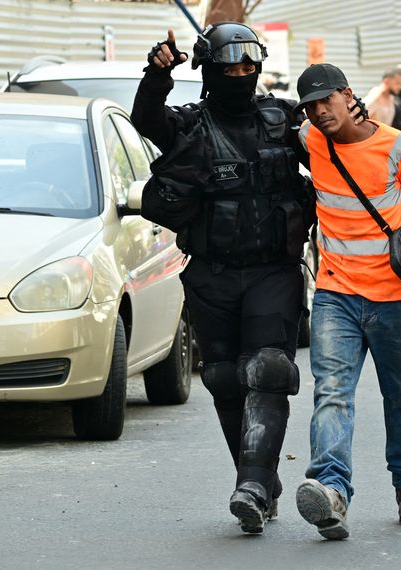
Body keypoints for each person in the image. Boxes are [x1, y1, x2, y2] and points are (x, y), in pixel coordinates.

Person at [130, 23, 316, 536]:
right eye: (229, 66)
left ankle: (250, 486)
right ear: (209, 71)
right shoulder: (189, 125)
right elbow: (146, 119)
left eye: (248, 66)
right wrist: (157, 74)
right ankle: (259, 481)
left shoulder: (283, 120)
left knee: (269, 369)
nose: (240, 74)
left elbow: (335, 148)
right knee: (224, 379)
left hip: (273, 270)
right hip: (211, 273)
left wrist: (346, 112)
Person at [291, 63, 401, 540]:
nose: (319, 112)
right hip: (336, 294)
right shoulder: (311, 139)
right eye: (310, 106)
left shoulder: (398, 147)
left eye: (326, 100)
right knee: (331, 391)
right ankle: (331, 491)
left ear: (347, 94)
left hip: (395, 296)